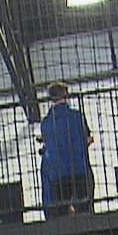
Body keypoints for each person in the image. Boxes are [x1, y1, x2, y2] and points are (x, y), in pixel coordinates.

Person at [37, 81, 94, 218]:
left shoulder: (45, 123)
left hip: (57, 176)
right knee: (84, 214)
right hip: (79, 171)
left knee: (61, 219)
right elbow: (87, 139)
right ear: (66, 95)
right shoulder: (77, 116)